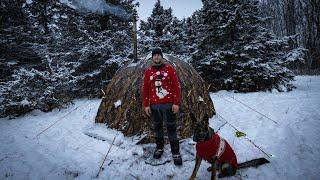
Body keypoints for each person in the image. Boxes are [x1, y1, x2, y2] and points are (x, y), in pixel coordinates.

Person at [142, 47, 182, 166]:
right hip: (154, 106)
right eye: (155, 55)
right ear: (152, 58)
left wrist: (176, 103)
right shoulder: (148, 72)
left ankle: (176, 152)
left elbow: (176, 86)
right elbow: (146, 90)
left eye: (158, 55)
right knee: (158, 127)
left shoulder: (169, 70)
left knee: (171, 128)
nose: (157, 57)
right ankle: (159, 148)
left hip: (168, 104)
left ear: (161, 57)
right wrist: (146, 105)